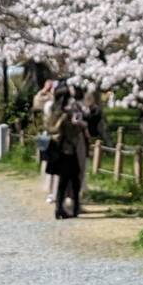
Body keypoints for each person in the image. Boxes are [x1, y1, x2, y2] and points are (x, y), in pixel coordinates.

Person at [46, 86, 87, 220]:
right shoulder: (66, 114)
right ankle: (74, 208)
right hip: (68, 150)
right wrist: (80, 126)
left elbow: (48, 127)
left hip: (55, 149)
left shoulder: (52, 110)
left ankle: (59, 208)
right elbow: (72, 133)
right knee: (74, 178)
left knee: (62, 181)